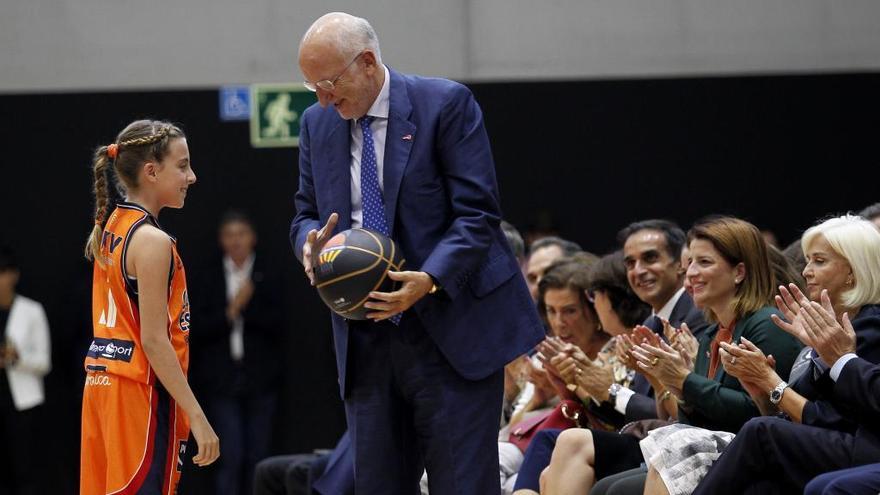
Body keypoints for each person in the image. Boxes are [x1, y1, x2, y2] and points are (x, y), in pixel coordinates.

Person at [289, 13, 544, 495]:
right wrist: (308, 244)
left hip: (450, 330)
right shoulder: (316, 123)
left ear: (366, 62)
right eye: (311, 87)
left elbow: (478, 214)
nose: (322, 97)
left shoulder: (444, 103)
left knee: (463, 485)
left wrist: (427, 278)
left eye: (328, 82)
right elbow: (304, 212)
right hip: (365, 336)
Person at [539, 217, 802, 495]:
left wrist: (684, 380)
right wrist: (675, 385)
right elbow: (693, 421)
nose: (691, 275)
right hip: (699, 447)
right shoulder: (711, 333)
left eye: (704, 263)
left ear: (738, 272)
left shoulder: (766, 324)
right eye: (689, 265)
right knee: (603, 483)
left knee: (614, 489)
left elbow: (758, 415)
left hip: (747, 456)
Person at [691, 215, 880, 494]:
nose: (806, 271)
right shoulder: (827, 330)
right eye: (807, 261)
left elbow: (834, 420)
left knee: (760, 432)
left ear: (852, 271)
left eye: (819, 261)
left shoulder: (870, 326)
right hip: (835, 443)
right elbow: (795, 415)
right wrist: (759, 387)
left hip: (865, 446)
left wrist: (771, 382)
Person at [80, 120, 219, 495]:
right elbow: (155, 341)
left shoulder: (112, 223)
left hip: (102, 386)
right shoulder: (152, 241)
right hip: (137, 395)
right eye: (183, 165)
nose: (192, 176)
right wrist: (197, 415)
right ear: (152, 171)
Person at [190, 210, 284, 495]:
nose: (236, 241)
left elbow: (280, 324)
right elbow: (197, 327)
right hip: (222, 378)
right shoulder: (208, 276)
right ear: (221, 240)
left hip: (261, 377)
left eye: (241, 234)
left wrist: (247, 307)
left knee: (259, 455)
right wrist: (232, 311)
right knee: (229, 455)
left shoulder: (268, 273)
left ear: (252, 238)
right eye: (229, 235)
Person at [0, 245, 51, 495]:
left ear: (14, 275)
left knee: (24, 470)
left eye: (3, 273)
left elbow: (44, 362)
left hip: (22, 404)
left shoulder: (31, 311)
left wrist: (16, 358)